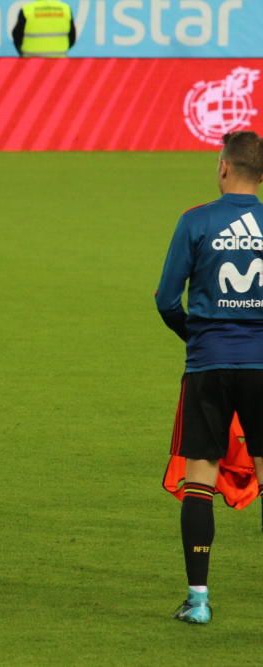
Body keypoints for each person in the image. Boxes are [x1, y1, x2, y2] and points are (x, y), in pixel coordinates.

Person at [155, 130, 263, 623]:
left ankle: (198, 600)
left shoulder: (195, 221)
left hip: (207, 365)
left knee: (200, 479)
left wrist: (196, 336)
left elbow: (164, 299)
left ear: (223, 167)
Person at [11, 0, 76, 57]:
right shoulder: (66, 9)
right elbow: (72, 38)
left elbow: (17, 36)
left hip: (31, 63)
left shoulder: (27, 10)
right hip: (58, 64)